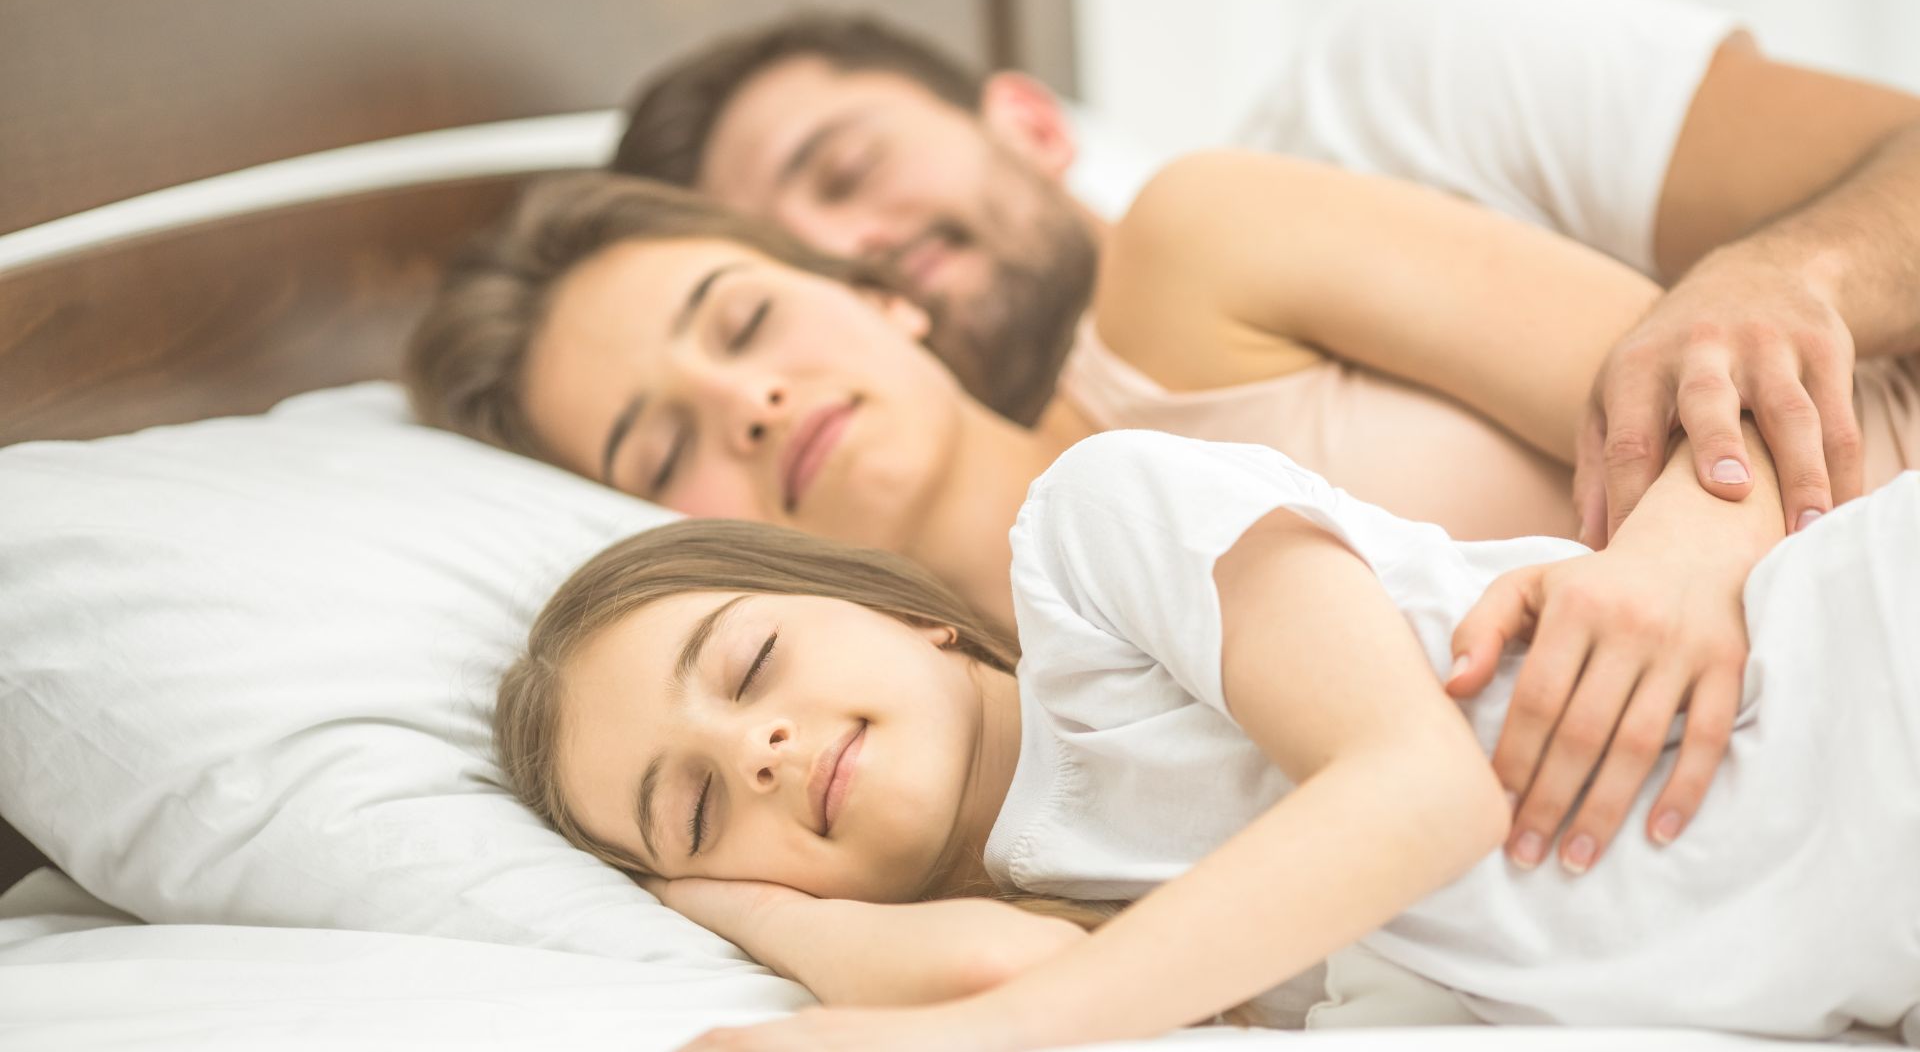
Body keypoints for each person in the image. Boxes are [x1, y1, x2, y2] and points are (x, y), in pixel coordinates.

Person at [408, 150, 1920, 875]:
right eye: (659, 443)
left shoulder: (1199, 262)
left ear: (877, 296)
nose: (745, 406)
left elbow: (1771, 375)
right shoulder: (953, 780)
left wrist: (1676, 557)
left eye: (739, 326)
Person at [494, 424, 1920, 1047]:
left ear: (903, 613)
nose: (756, 753)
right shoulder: (1101, 935)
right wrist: (723, 903)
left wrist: (988, 1039)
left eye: (749, 664)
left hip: (1866, 685)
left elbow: (1422, 794)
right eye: (692, 805)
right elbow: (1009, 967)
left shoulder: (1095, 533)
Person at [611, 0, 1920, 551]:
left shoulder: (1395, 84)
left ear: (1030, 122)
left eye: (845, 173)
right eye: (795, 265)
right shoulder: (1047, 579)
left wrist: (1793, 272)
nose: (855, 248)